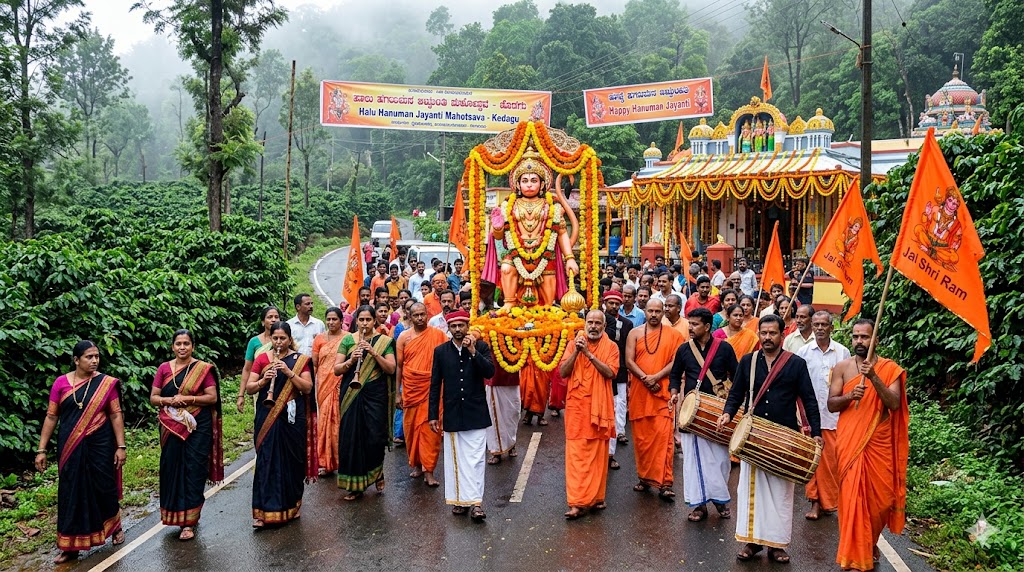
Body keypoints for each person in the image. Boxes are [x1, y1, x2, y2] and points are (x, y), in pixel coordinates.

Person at [717, 314, 823, 564]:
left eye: (772, 333)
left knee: (780, 493)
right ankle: (752, 543)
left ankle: (776, 545)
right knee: (750, 490)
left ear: (782, 335)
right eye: (763, 333)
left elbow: (809, 399)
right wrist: (727, 414)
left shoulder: (795, 363)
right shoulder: (748, 361)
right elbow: (736, 394)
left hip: (784, 438)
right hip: (752, 435)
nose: (766, 337)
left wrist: (816, 432)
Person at [35, 340, 126, 563]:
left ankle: (114, 527)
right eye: (89, 357)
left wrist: (121, 447)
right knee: (71, 491)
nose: (94, 360)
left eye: (96, 356)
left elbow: (115, 414)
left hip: (101, 444)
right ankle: (70, 546)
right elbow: (51, 416)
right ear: (76, 360)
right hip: (70, 446)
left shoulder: (106, 383)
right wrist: (41, 449)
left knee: (104, 486)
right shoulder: (60, 384)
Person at [828, 319, 909, 571]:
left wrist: (873, 377)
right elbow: (831, 404)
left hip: (878, 443)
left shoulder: (889, 369)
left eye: (864, 337)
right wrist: (849, 396)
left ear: (876, 339)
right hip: (850, 443)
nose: (859, 342)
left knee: (880, 503)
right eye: (856, 337)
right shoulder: (842, 368)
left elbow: (894, 404)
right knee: (852, 499)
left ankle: (869, 542)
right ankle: (854, 556)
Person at [150, 330, 222, 541]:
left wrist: (188, 399)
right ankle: (175, 516)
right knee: (171, 468)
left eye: (186, 344)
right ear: (172, 346)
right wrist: (169, 401)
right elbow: (154, 397)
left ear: (193, 346)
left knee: (194, 469)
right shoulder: (163, 368)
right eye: (178, 344)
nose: (182, 347)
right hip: (170, 426)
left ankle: (189, 522)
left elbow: (211, 397)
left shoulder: (203, 369)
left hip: (198, 426)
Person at [486, 146, 578, 310]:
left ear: (542, 184)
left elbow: (562, 232)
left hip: (543, 253)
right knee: (507, 268)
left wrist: (569, 258)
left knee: (548, 274)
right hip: (517, 253)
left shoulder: (552, 206)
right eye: (525, 181)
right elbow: (499, 238)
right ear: (518, 184)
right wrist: (498, 228)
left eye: (534, 180)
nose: (529, 185)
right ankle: (509, 303)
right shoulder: (508, 205)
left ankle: (548, 306)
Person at [668, 308, 738, 522]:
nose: (690, 327)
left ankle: (719, 499)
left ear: (707, 327)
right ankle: (699, 505)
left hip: (716, 413)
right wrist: (673, 394)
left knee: (719, 460)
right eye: (689, 323)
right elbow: (674, 375)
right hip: (691, 413)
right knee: (692, 460)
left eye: (695, 324)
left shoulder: (724, 349)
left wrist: (733, 406)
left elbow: (736, 377)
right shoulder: (683, 349)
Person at [245, 322, 316, 528]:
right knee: (266, 460)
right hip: (267, 415)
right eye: (275, 338)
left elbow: (308, 387)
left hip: (292, 418)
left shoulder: (299, 360)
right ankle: (262, 512)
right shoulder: (262, 359)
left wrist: (289, 372)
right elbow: (250, 387)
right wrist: (262, 382)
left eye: (282, 338)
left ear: (289, 338)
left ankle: (292, 505)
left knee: (291, 461)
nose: (278, 342)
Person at [429, 310, 496, 522]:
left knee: (476, 461)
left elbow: (489, 373)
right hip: (452, 413)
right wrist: (433, 415)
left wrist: (473, 351)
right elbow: (434, 385)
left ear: (468, 326)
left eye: (461, 326)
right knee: (456, 459)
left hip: (476, 413)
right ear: (448, 328)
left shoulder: (481, 347)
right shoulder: (440, 351)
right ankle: (459, 499)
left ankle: (476, 503)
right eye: (454, 326)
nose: (458, 330)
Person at [560, 310, 619, 519]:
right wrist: (577, 352)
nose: (593, 327)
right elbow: (563, 372)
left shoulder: (611, 347)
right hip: (577, 408)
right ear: (585, 324)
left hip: (599, 407)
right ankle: (577, 502)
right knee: (576, 456)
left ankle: (595, 497)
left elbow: (611, 373)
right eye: (590, 323)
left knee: (597, 456)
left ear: (604, 326)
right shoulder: (573, 344)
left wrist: (589, 354)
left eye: (597, 323)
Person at [333, 305, 397, 500]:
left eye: (368, 320)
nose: (364, 324)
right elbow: (337, 369)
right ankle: (355, 486)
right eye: (361, 320)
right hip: (351, 394)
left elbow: (391, 369)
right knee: (351, 437)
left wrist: (374, 353)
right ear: (356, 321)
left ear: (374, 321)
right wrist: (352, 360)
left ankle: (377, 472)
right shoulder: (347, 340)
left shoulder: (384, 341)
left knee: (375, 437)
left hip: (375, 396)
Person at [625, 299, 684, 501]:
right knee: (642, 440)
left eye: (658, 311)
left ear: (664, 312)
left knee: (664, 439)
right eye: (650, 311)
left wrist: (656, 377)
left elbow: (676, 362)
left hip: (662, 393)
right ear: (645, 311)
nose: (654, 314)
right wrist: (645, 378)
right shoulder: (634, 333)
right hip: (641, 394)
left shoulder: (674, 335)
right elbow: (629, 361)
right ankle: (645, 478)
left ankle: (665, 483)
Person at [796, 311, 851, 521]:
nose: (819, 328)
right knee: (813, 460)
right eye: (816, 324)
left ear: (831, 328)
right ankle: (815, 502)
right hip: (809, 416)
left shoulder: (842, 352)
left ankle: (829, 501)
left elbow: (848, 383)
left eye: (823, 325)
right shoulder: (803, 352)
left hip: (834, 416)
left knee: (831, 461)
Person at [396, 303, 448, 487]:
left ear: (427, 315)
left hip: (433, 389)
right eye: (416, 315)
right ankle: (417, 464)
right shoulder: (403, 337)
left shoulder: (438, 335)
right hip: (410, 389)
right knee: (411, 429)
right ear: (410, 316)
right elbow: (399, 366)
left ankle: (429, 470)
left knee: (431, 430)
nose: (420, 318)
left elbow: (446, 361)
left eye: (422, 314)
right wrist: (397, 393)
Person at [313, 307, 347, 476]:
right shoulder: (319, 339)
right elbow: (315, 364)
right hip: (324, 386)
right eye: (329, 319)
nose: (331, 322)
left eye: (335, 319)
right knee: (325, 421)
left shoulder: (348, 338)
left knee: (341, 423)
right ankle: (325, 462)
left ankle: (342, 460)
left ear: (341, 321)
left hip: (342, 385)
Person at [602, 290, 633, 468]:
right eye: (610, 303)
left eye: (616, 303)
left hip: (619, 369)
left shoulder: (627, 324)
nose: (613, 306)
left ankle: (617, 436)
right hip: (599, 371)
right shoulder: (595, 321)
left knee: (618, 404)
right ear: (604, 303)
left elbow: (628, 348)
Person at [236, 306, 280, 413]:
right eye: (270, 317)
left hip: (280, 384)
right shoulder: (254, 342)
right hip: (259, 384)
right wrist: (241, 395)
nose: (273, 319)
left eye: (276, 317)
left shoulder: (285, 340)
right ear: (262, 322)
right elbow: (247, 369)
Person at [485, 366, 521, 465]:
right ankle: (496, 452)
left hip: (512, 375)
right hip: (495, 377)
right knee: (495, 414)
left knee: (513, 413)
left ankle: (511, 444)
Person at [288, 294, 325, 358]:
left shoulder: (319, 324)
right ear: (298, 307)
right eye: (307, 304)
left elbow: (324, 345)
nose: (311, 306)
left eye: (312, 303)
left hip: (313, 363)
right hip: (294, 362)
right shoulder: (289, 325)